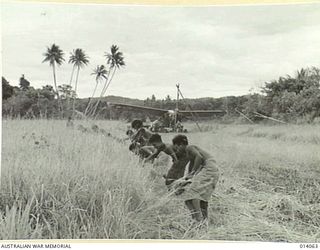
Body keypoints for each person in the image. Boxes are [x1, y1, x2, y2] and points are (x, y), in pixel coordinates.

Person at [172, 134, 219, 222]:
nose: (177, 150)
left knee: (193, 193)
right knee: (202, 197)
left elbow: (199, 157)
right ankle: (204, 220)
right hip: (212, 169)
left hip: (209, 167)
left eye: (177, 148)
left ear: (181, 144)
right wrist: (187, 178)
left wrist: (192, 174)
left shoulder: (189, 147)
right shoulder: (190, 153)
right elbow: (191, 168)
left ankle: (198, 219)